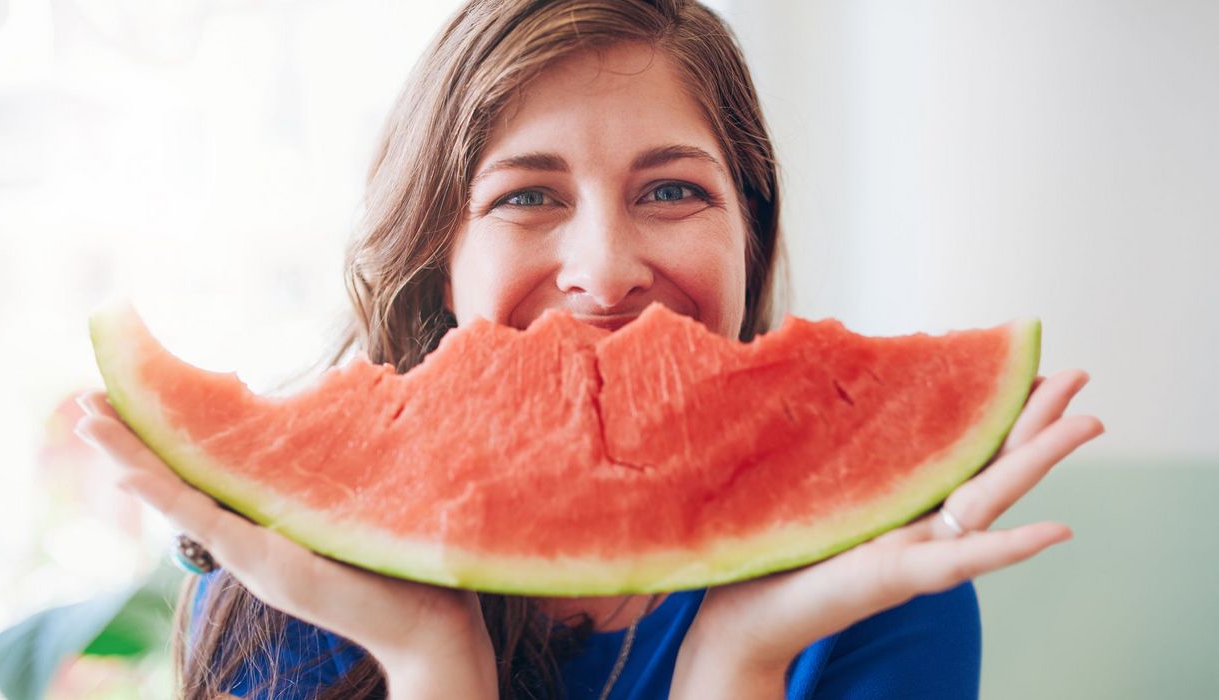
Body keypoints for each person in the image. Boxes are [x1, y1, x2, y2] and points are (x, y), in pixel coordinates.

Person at [74, 1, 1104, 698]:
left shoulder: (874, 590)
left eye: (670, 190)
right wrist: (430, 656)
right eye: (528, 196)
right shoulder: (284, 591)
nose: (603, 271)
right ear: (440, 252)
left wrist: (739, 659)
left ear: (750, 230)